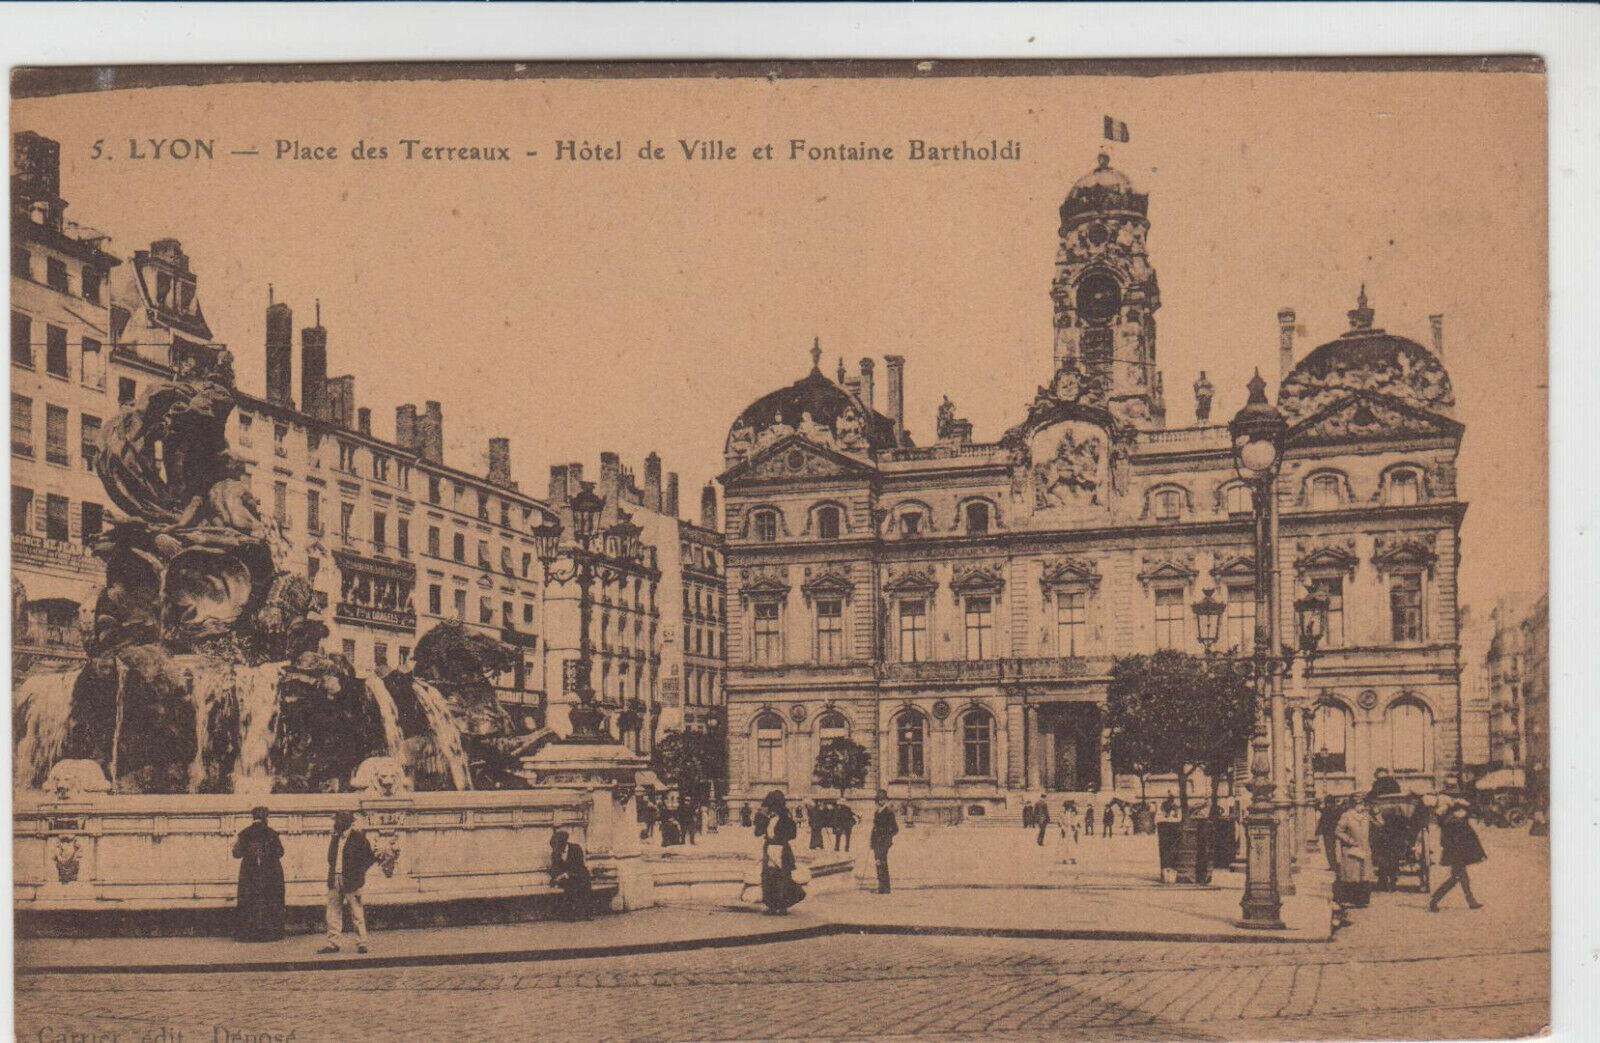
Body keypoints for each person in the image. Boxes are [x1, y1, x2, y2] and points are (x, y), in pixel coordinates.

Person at [318, 810, 377, 954]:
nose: (335, 824)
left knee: (356, 912)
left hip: (352, 880)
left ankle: (362, 943)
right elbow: (330, 859)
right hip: (335, 878)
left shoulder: (358, 838)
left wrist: (358, 873)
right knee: (332, 912)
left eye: (338, 822)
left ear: (346, 823)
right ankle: (333, 943)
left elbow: (369, 858)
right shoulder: (336, 837)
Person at [232, 806, 285, 942]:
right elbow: (280, 852)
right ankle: (269, 933)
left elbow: (236, 853)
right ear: (266, 818)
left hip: (249, 873)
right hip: (270, 872)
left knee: (249, 900)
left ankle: (248, 933)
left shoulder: (244, 833)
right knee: (269, 899)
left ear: (253, 817)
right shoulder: (272, 833)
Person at [1430, 800, 1487, 912]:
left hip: (1457, 854)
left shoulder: (1453, 820)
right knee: (1456, 878)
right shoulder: (1454, 822)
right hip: (1456, 855)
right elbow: (1452, 840)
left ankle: (1471, 901)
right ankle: (1435, 900)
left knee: (1461, 878)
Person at [757, 790, 805, 914]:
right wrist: (761, 816)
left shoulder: (785, 819)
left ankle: (782, 906)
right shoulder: (768, 819)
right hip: (770, 849)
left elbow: (792, 834)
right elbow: (757, 832)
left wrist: (780, 838)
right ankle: (772, 906)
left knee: (782, 878)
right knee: (769, 878)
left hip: (781, 850)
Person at [1333, 796, 1377, 922]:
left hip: (1365, 848)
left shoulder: (1367, 816)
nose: (1360, 806)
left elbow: (1380, 824)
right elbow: (1338, 831)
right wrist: (1349, 840)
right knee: (1352, 874)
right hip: (1352, 849)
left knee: (1364, 875)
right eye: (1358, 803)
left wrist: (1377, 812)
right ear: (1353, 804)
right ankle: (1350, 899)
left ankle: (1362, 900)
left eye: (1362, 803)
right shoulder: (1346, 816)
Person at [549, 828, 593, 921]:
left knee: (584, 883)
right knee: (570, 885)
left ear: (563, 843)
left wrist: (567, 874)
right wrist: (560, 876)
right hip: (565, 879)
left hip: (578, 874)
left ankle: (585, 913)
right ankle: (570, 914)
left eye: (557, 846)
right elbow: (555, 869)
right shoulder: (555, 854)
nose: (555, 849)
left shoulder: (576, 848)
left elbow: (579, 865)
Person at [869, 790, 899, 894]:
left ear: (886, 800)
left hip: (884, 842)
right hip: (876, 841)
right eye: (879, 799)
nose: (881, 801)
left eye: (883, 799)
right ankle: (881, 886)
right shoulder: (877, 812)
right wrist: (872, 842)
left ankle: (885, 887)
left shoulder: (889, 812)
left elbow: (895, 829)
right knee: (878, 862)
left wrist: (887, 836)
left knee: (882, 862)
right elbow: (874, 828)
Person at [1315, 796, 1345, 873]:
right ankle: (1338, 865)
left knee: (1329, 850)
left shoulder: (1326, 810)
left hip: (1328, 832)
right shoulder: (1338, 809)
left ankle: (1333, 865)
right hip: (1336, 831)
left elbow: (1318, 808)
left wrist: (1318, 802)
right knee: (1338, 848)